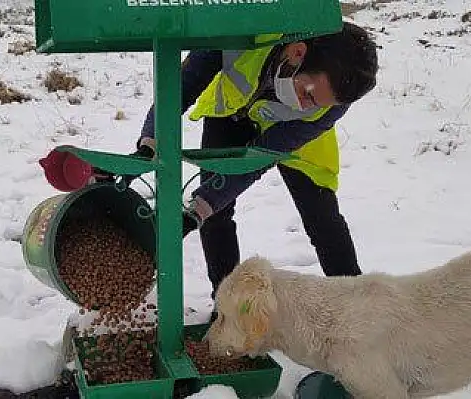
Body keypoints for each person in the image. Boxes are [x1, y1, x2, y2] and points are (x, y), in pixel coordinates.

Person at [129, 21, 379, 304]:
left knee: (322, 218)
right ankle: (227, 306)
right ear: (297, 52)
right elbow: (181, 87)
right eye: (307, 95)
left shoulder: (328, 106)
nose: (308, 106)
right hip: (232, 114)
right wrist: (150, 142)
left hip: (292, 138)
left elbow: (261, 157)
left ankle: (357, 306)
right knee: (215, 217)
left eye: (319, 104)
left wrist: (199, 207)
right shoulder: (242, 27)